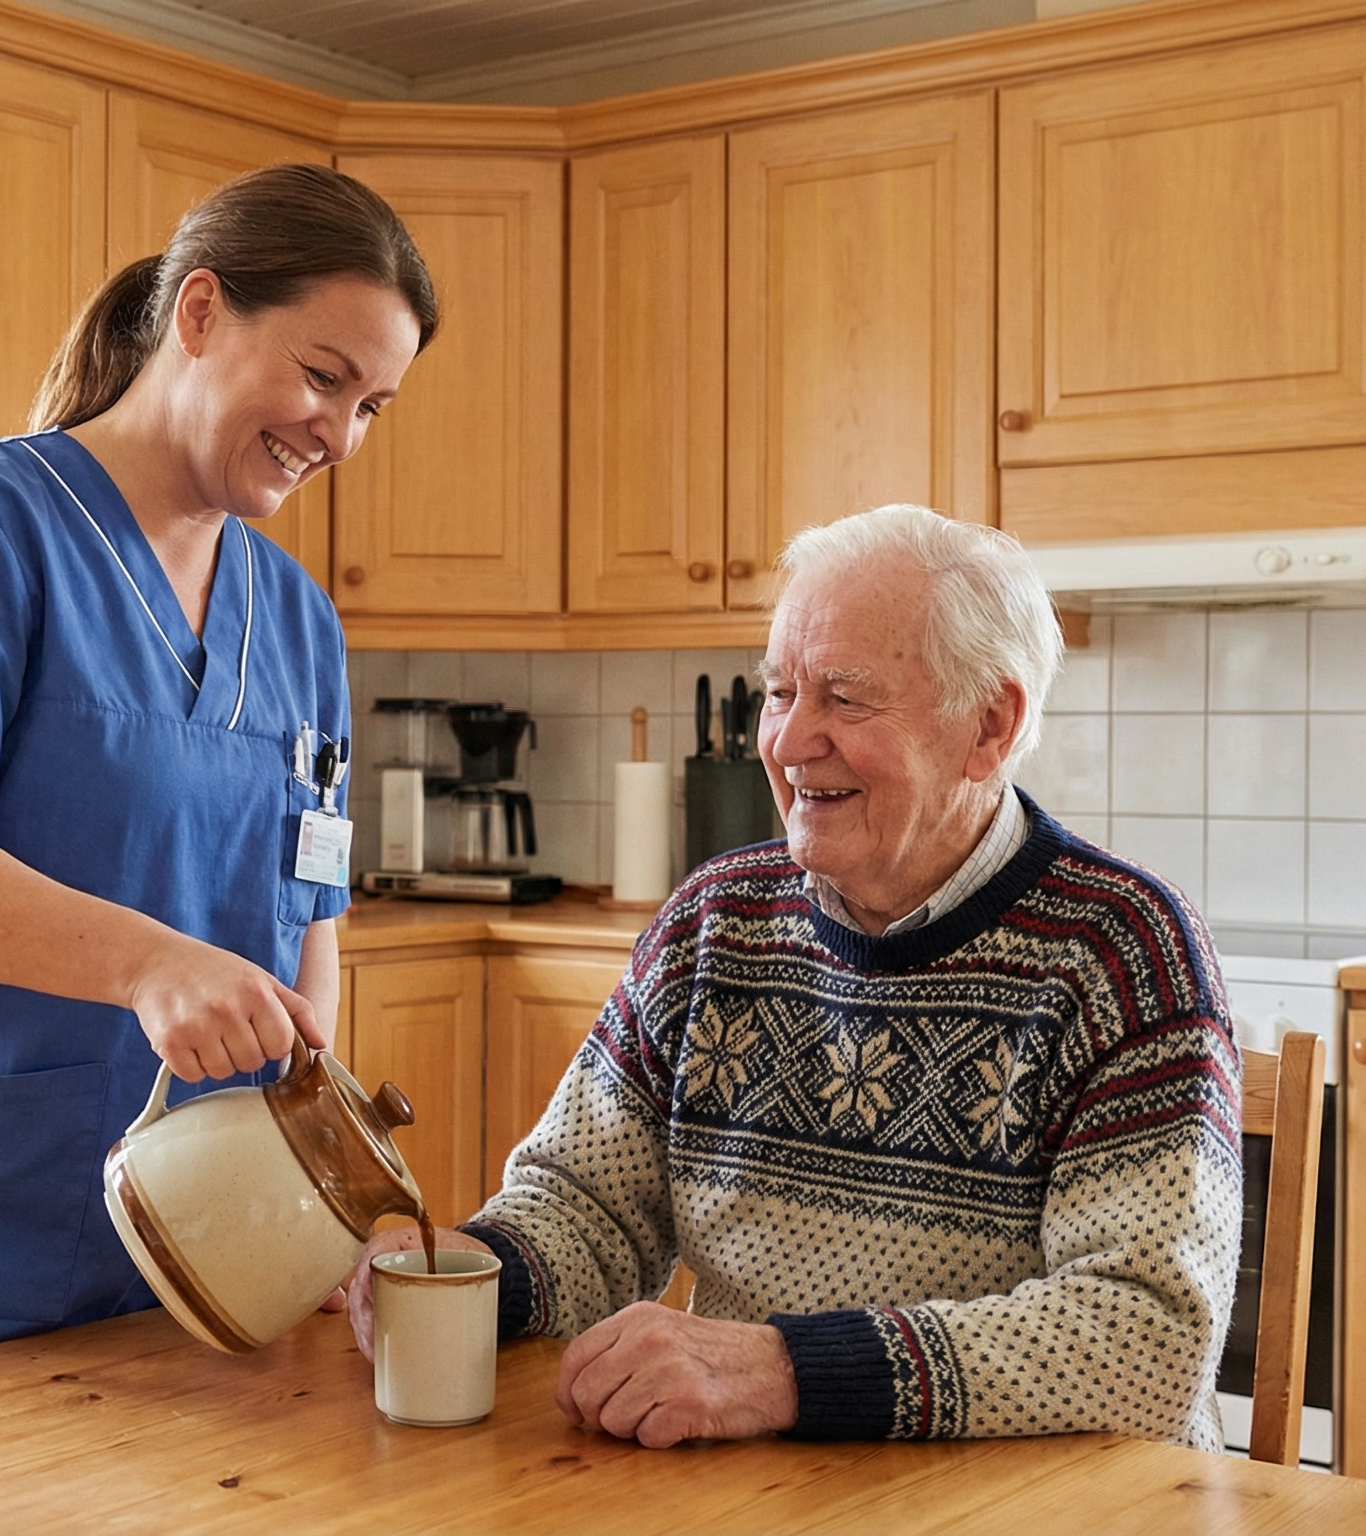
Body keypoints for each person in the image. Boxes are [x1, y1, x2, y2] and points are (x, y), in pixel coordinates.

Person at [342, 505, 1241, 1450]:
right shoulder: (713, 924)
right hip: (764, 1492)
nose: (787, 740)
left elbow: (1147, 1335)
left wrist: (782, 1372)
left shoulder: (1124, 953)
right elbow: (587, 1207)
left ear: (990, 723)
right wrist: (480, 1268)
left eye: (845, 700)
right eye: (778, 692)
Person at [0, 164, 438, 1385]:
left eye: (374, 406)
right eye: (322, 377)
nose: (338, 435)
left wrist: (312, 1175)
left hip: (193, 1263)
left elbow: (308, 914)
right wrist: (148, 962)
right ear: (197, 314)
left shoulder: (298, 623)